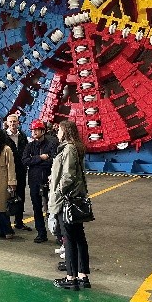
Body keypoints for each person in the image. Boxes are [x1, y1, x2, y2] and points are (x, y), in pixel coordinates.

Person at [48, 120, 91, 291]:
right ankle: (82, 276)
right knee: (79, 238)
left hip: (66, 200)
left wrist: (58, 190)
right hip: (74, 198)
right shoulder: (74, 148)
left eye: (59, 130)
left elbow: (68, 176)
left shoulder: (69, 149)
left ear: (65, 131)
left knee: (69, 239)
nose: (57, 133)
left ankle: (71, 278)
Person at [22, 119, 57, 243]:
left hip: (49, 180)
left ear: (43, 131)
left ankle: (58, 234)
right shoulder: (30, 146)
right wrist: (40, 158)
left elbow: (54, 161)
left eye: (37, 130)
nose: (34, 132)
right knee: (37, 208)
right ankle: (41, 233)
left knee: (53, 208)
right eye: (33, 130)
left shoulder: (51, 144)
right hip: (34, 181)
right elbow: (25, 161)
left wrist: (35, 161)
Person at [5, 114, 31, 231]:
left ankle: (19, 222)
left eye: (14, 121)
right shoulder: (3, 136)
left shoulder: (22, 136)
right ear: (7, 123)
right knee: (6, 196)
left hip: (20, 170)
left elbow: (26, 151)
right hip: (6, 171)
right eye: (10, 122)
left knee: (20, 196)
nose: (12, 124)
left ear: (18, 123)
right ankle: (5, 224)